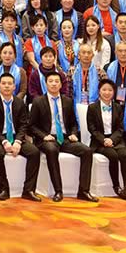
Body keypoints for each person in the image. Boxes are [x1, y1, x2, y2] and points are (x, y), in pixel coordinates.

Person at [31, 70, 95, 202]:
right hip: (47, 139)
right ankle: (58, 191)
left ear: (61, 84)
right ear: (46, 84)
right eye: (51, 81)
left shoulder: (68, 101)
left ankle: (83, 191)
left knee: (87, 151)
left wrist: (73, 134)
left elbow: (73, 123)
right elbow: (31, 126)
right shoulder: (38, 101)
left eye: (57, 81)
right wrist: (44, 136)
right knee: (51, 149)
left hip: (65, 138)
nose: (54, 84)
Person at [0, 73, 39, 201]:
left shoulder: (20, 103)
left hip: (16, 136)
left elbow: (24, 124)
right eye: (4, 83)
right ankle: (4, 189)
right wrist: (4, 141)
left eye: (10, 84)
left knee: (34, 152)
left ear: (14, 86)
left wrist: (18, 141)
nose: (7, 86)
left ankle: (28, 190)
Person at [86, 79, 126, 200]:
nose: (107, 93)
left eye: (110, 90)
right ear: (99, 91)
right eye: (104, 90)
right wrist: (104, 140)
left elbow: (120, 128)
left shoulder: (118, 107)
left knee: (123, 153)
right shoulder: (92, 108)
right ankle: (116, 187)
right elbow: (92, 129)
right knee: (113, 155)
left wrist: (112, 139)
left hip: (115, 139)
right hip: (99, 141)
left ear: (114, 92)